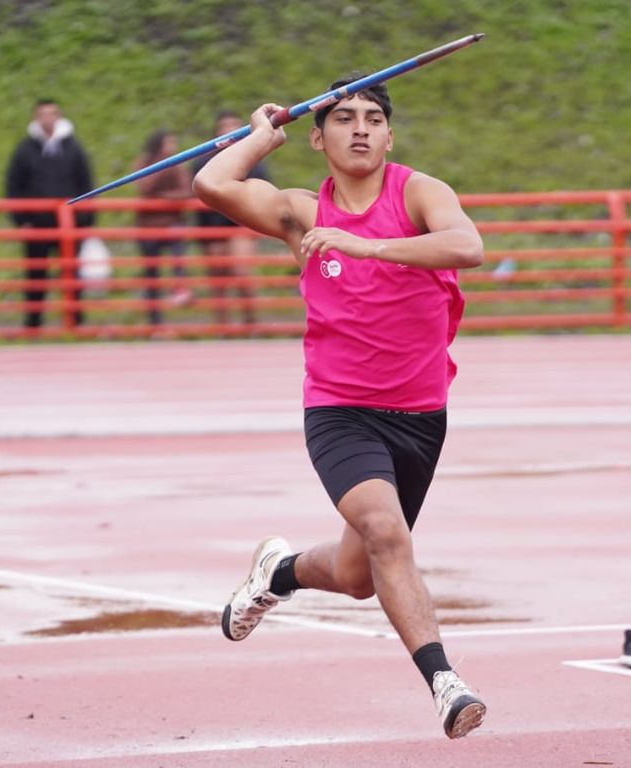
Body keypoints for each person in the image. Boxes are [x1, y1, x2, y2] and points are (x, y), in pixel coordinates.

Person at [193, 77, 487, 739]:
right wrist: (259, 138)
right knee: (387, 532)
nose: (360, 128)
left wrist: (366, 245)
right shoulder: (300, 210)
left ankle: (279, 572)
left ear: (389, 134)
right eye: (345, 118)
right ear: (319, 137)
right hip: (340, 410)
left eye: (374, 118)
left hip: (420, 414)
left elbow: (468, 247)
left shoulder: (419, 192)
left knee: (359, 574)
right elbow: (212, 186)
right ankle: (445, 681)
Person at [5, 99, 96, 329]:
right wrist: (21, 220)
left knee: (72, 274)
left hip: (69, 224)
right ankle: (33, 324)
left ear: (58, 116)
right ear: (36, 117)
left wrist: (84, 221)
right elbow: (13, 186)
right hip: (36, 224)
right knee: (36, 276)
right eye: (43, 114)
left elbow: (86, 184)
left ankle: (74, 322)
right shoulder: (25, 150)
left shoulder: (73, 148)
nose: (48, 118)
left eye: (52, 113)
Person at [192, 111, 268, 327]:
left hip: (241, 222)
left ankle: (250, 322)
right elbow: (196, 190)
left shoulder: (254, 162)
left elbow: (262, 192)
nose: (230, 130)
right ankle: (222, 325)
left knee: (242, 272)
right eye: (225, 126)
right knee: (218, 277)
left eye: (234, 126)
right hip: (213, 223)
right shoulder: (203, 162)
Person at [134, 130, 193, 326]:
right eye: (168, 143)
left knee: (178, 251)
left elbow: (186, 191)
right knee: (151, 274)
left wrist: (165, 198)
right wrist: (162, 163)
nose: (172, 147)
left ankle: (180, 287)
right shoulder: (146, 161)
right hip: (148, 225)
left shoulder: (178, 164)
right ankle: (155, 321)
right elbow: (144, 187)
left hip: (171, 222)